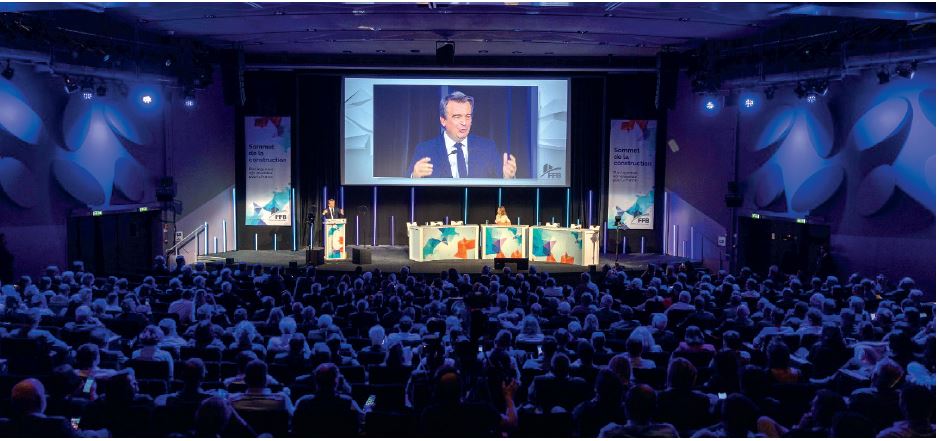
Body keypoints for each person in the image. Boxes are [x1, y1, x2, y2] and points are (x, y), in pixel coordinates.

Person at [409, 91, 517, 179]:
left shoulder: (487, 148)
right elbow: (406, 189)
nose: (464, 122)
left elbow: (502, 185)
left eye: (468, 116)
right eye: (457, 116)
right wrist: (414, 177)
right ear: (443, 120)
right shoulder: (425, 150)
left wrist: (508, 178)